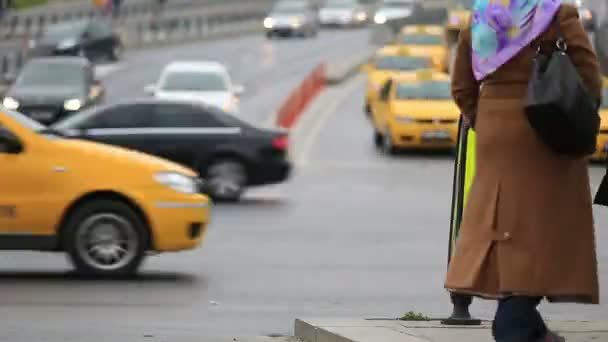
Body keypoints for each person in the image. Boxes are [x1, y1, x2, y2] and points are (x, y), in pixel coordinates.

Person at [444, 0, 602, 341]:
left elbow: (461, 86)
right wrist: (578, 115)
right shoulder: (556, 14)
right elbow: (588, 73)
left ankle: (531, 328)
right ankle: (514, 319)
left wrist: (485, 119)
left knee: (500, 220)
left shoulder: (481, 20)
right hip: (547, 127)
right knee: (542, 226)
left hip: (494, 129)